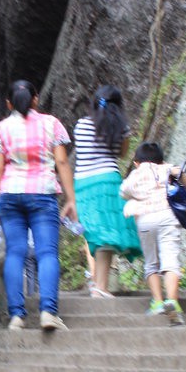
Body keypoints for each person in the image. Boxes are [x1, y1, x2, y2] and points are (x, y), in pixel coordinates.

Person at [0, 79, 77, 331]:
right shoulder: (51, 124)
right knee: (47, 252)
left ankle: (17, 316)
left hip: (10, 195)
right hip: (42, 193)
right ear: (36, 99)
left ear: (8, 103)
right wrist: (70, 199)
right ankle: (48, 312)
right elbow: (62, 163)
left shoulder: (0, 129)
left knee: (15, 252)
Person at [72, 85, 141, 298]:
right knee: (108, 235)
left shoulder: (81, 125)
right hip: (108, 181)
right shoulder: (122, 128)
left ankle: (98, 286)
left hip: (83, 184)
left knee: (95, 232)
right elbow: (121, 154)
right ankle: (100, 286)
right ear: (118, 106)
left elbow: (82, 153)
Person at [120, 141, 186, 324]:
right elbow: (182, 175)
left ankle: (157, 302)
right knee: (170, 259)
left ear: (136, 162)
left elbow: (123, 192)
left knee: (151, 262)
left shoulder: (135, 174)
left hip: (145, 220)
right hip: (168, 217)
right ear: (161, 160)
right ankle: (172, 301)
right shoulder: (166, 168)